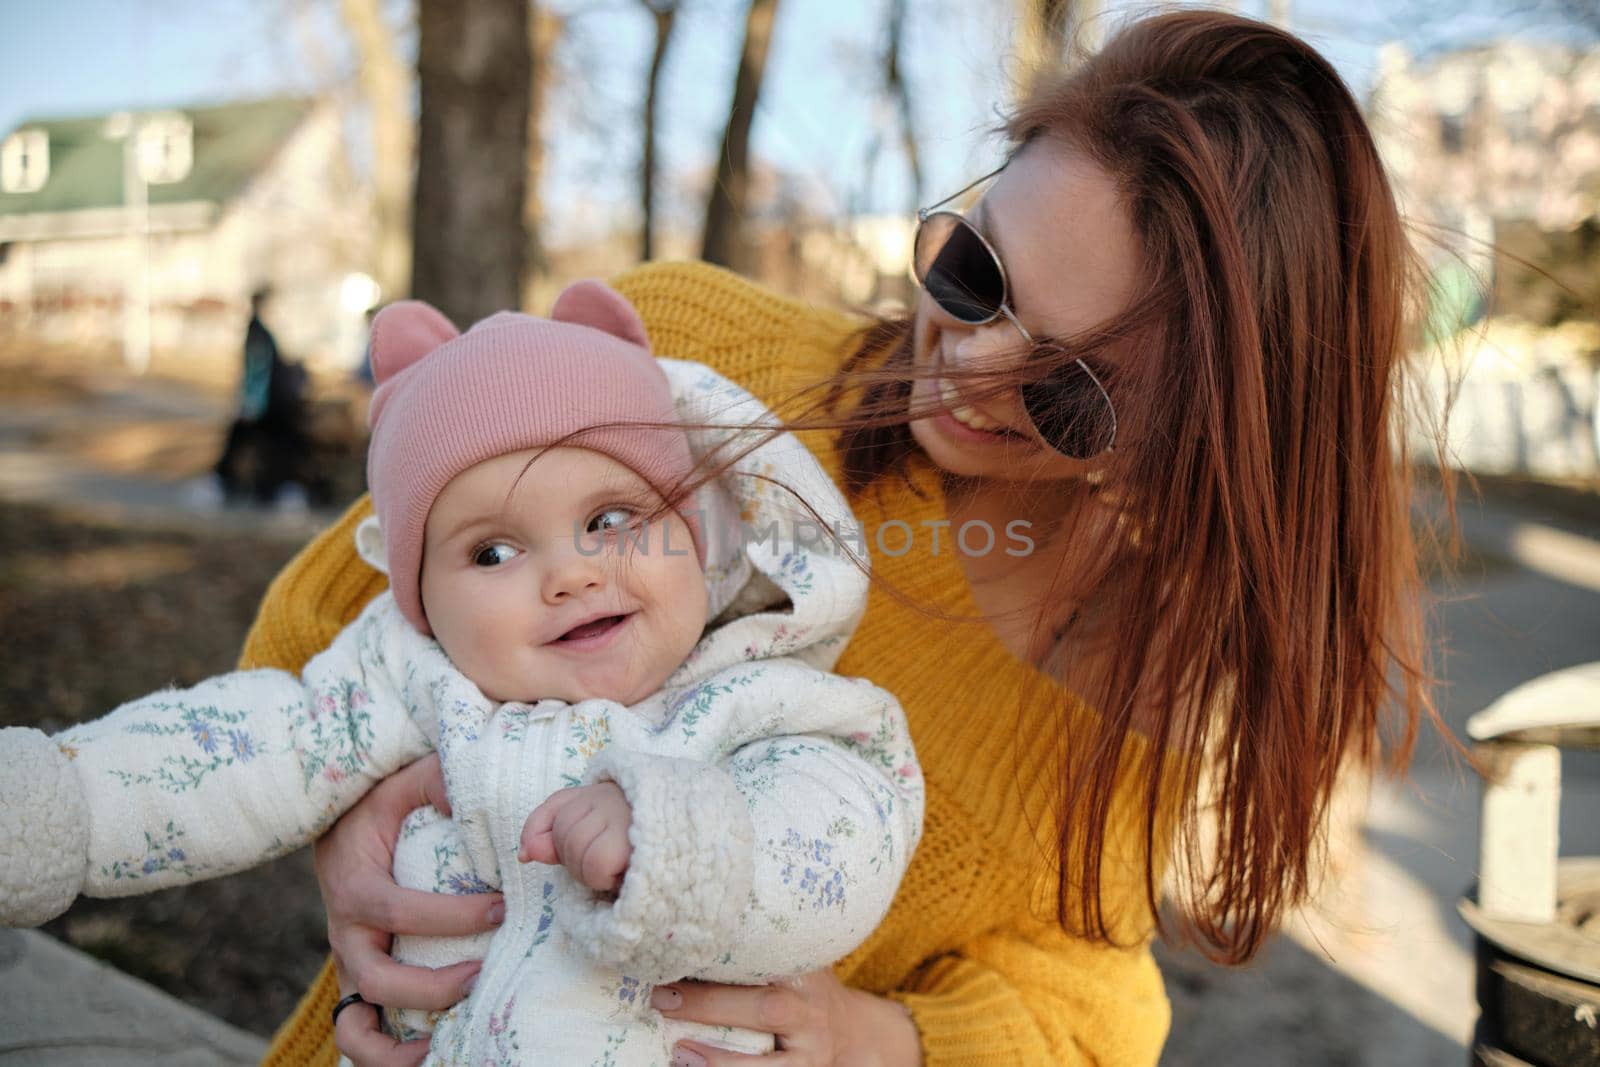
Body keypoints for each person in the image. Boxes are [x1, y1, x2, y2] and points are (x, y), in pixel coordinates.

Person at [253, 10, 1448, 1066]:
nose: (970, 367)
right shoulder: (677, 358)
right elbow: (322, 615)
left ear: (1203, 428)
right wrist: (349, 822)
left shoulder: (1136, 665)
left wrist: (887, 1040)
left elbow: (1086, 997)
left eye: (1071, 384)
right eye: (975, 271)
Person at [0, 283, 922, 1065]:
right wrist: (61, 810)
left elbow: (844, 846)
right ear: (421, 601)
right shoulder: (410, 686)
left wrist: (676, 844)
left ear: (699, 531)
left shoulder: (762, 701)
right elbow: (233, 752)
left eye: (610, 518)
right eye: (491, 551)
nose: (569, 572)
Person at [214, 287, 312, 504]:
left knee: (263, 445)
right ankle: (252, 488)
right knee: (271, 445)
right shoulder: (258, 332)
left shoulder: (258, 331)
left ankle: (252, 487)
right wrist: (251, 405)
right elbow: (259, 370)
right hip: (264, 406)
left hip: (263, 405)